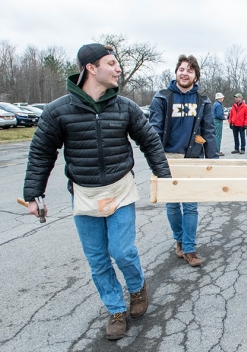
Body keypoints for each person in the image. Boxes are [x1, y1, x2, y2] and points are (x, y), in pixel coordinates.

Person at [23, 43, 171, 340]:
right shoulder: (58, 111)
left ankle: (137, 286)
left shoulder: (126, 107)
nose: (118, 68)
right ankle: (116, 309)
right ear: (91, 68)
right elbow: (41, 153)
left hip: (121, 190)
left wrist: (163, 177)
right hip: (84, 194)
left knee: (122, 251)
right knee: (98, 259)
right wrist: (34, 195)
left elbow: (150, 142)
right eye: (112, 63)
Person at [149, 54, 218, 268]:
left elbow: (209, 131)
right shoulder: (162, 98)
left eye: (189, 70)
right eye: (181, 69)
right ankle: (179, 240)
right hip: (168, 159)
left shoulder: (203, 101)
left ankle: (189, 248)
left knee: (190, 206)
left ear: (196, 76)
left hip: (193, 159)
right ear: (176, 72)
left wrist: (212, 161)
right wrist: (156, 160)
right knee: (172, 206)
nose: (184, 73)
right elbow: (154, 131)